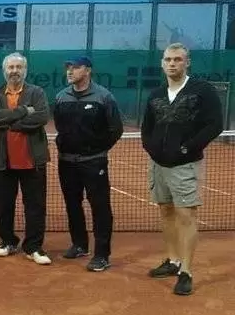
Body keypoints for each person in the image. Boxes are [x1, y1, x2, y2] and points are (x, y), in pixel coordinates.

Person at [141, 43, 223, 296]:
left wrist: (187, 149)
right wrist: (151, 148)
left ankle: (186, 271)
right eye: (168, 59)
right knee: (165, 210)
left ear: (187, 62)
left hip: (185, 164)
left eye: (178, 59)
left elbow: (214, 125)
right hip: (158, 164)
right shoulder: (156, 94)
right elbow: (147, 127)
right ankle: (173, 260)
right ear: (162, 63)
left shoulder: (203, 90)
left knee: (186, 215)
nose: (172, 63)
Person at [53, 56, 123, 272]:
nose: (70, 71)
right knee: (72, 204)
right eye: (68, 67)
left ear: (88, 70)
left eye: (75, 67)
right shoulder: (61, 97)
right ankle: (80, 244)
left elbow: (116, 129)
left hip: (94, 162)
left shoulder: (104, 97)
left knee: (100, 207)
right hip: (67, 162)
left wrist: (97, 150)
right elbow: (59, 126)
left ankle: (102, 254)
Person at [0, 53, 52, 265]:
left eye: (18, 67)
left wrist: (12, 123)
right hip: (2, 161)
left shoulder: (37, 92)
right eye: (11, 67)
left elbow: (42, 116)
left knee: (35, 206)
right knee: (3, 205)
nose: (14, 71)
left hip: (33, 161)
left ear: (25, 70)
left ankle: (34, 247)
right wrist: (23, 111)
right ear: (4, 70)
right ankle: (8, 241)